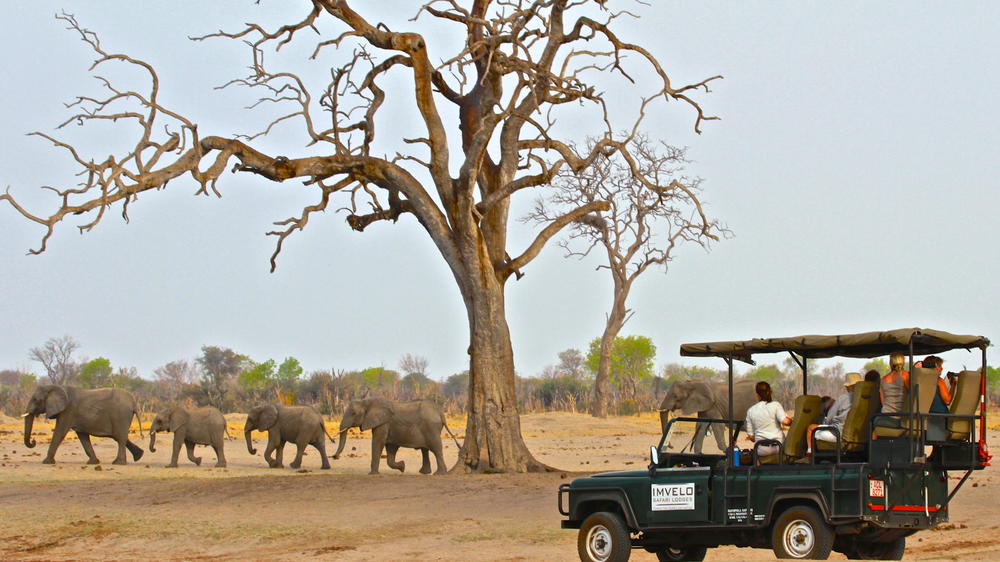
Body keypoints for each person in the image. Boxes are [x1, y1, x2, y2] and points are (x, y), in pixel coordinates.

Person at [810, 372, 862, 448]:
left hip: (839, 433)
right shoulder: (868, 400)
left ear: (848, 387)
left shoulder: (843, 398)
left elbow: (829, 419)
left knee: (811, 429)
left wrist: (823, 422)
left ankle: (810, 454)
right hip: (859, 434)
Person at [745, 381, 791, 456]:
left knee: (756, 456)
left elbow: (751, 437)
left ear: (757, 395)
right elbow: (785, 421)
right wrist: (791, 420)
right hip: (778, 447)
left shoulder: (751, 411)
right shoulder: (776, 405)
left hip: (761, 450)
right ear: (770, 392)